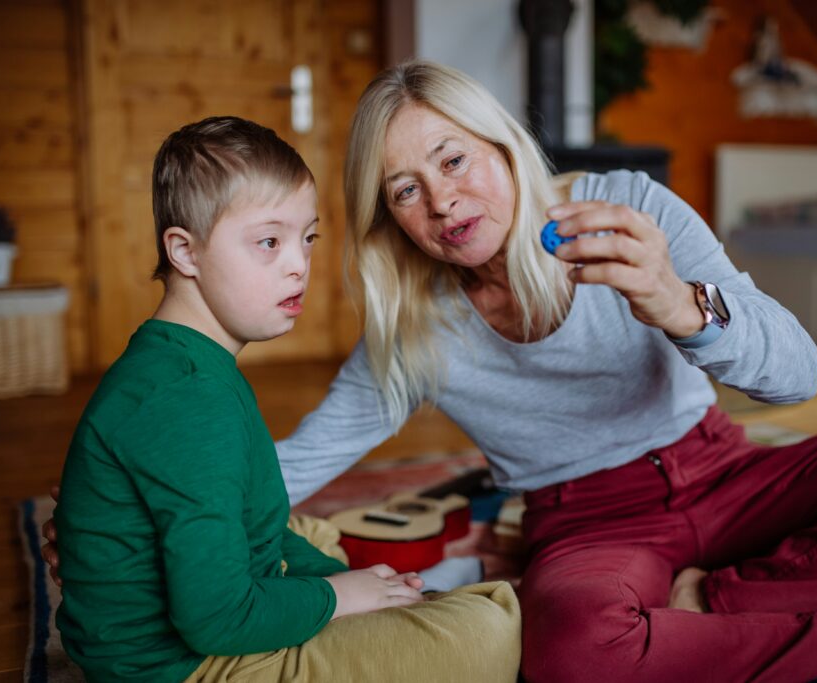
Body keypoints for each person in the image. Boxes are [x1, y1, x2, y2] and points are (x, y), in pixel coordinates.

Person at [45, 64, 817, 681]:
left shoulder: (629, 207)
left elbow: (795, 376)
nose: (442, 199)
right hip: (588, 520)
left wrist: (681, 304)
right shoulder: (414, 322)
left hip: (726, 466)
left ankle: (719, 600)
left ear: (503, 145)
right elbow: (299, 457)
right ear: (390, 217)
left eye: (452, 158)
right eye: (405, 188)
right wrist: (120, 506)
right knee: (568, 652)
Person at [52, 115, 520, 683]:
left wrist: (360, 584)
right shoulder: (189, 398)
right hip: (187, 666)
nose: (298, 264)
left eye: (307, 239)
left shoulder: (185, 364)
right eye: (268, 242)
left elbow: (260, 527)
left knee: (315, 538)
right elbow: (217, 620)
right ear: (185, 252)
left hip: (199, 634)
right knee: (488, 629)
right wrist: (336, 596)